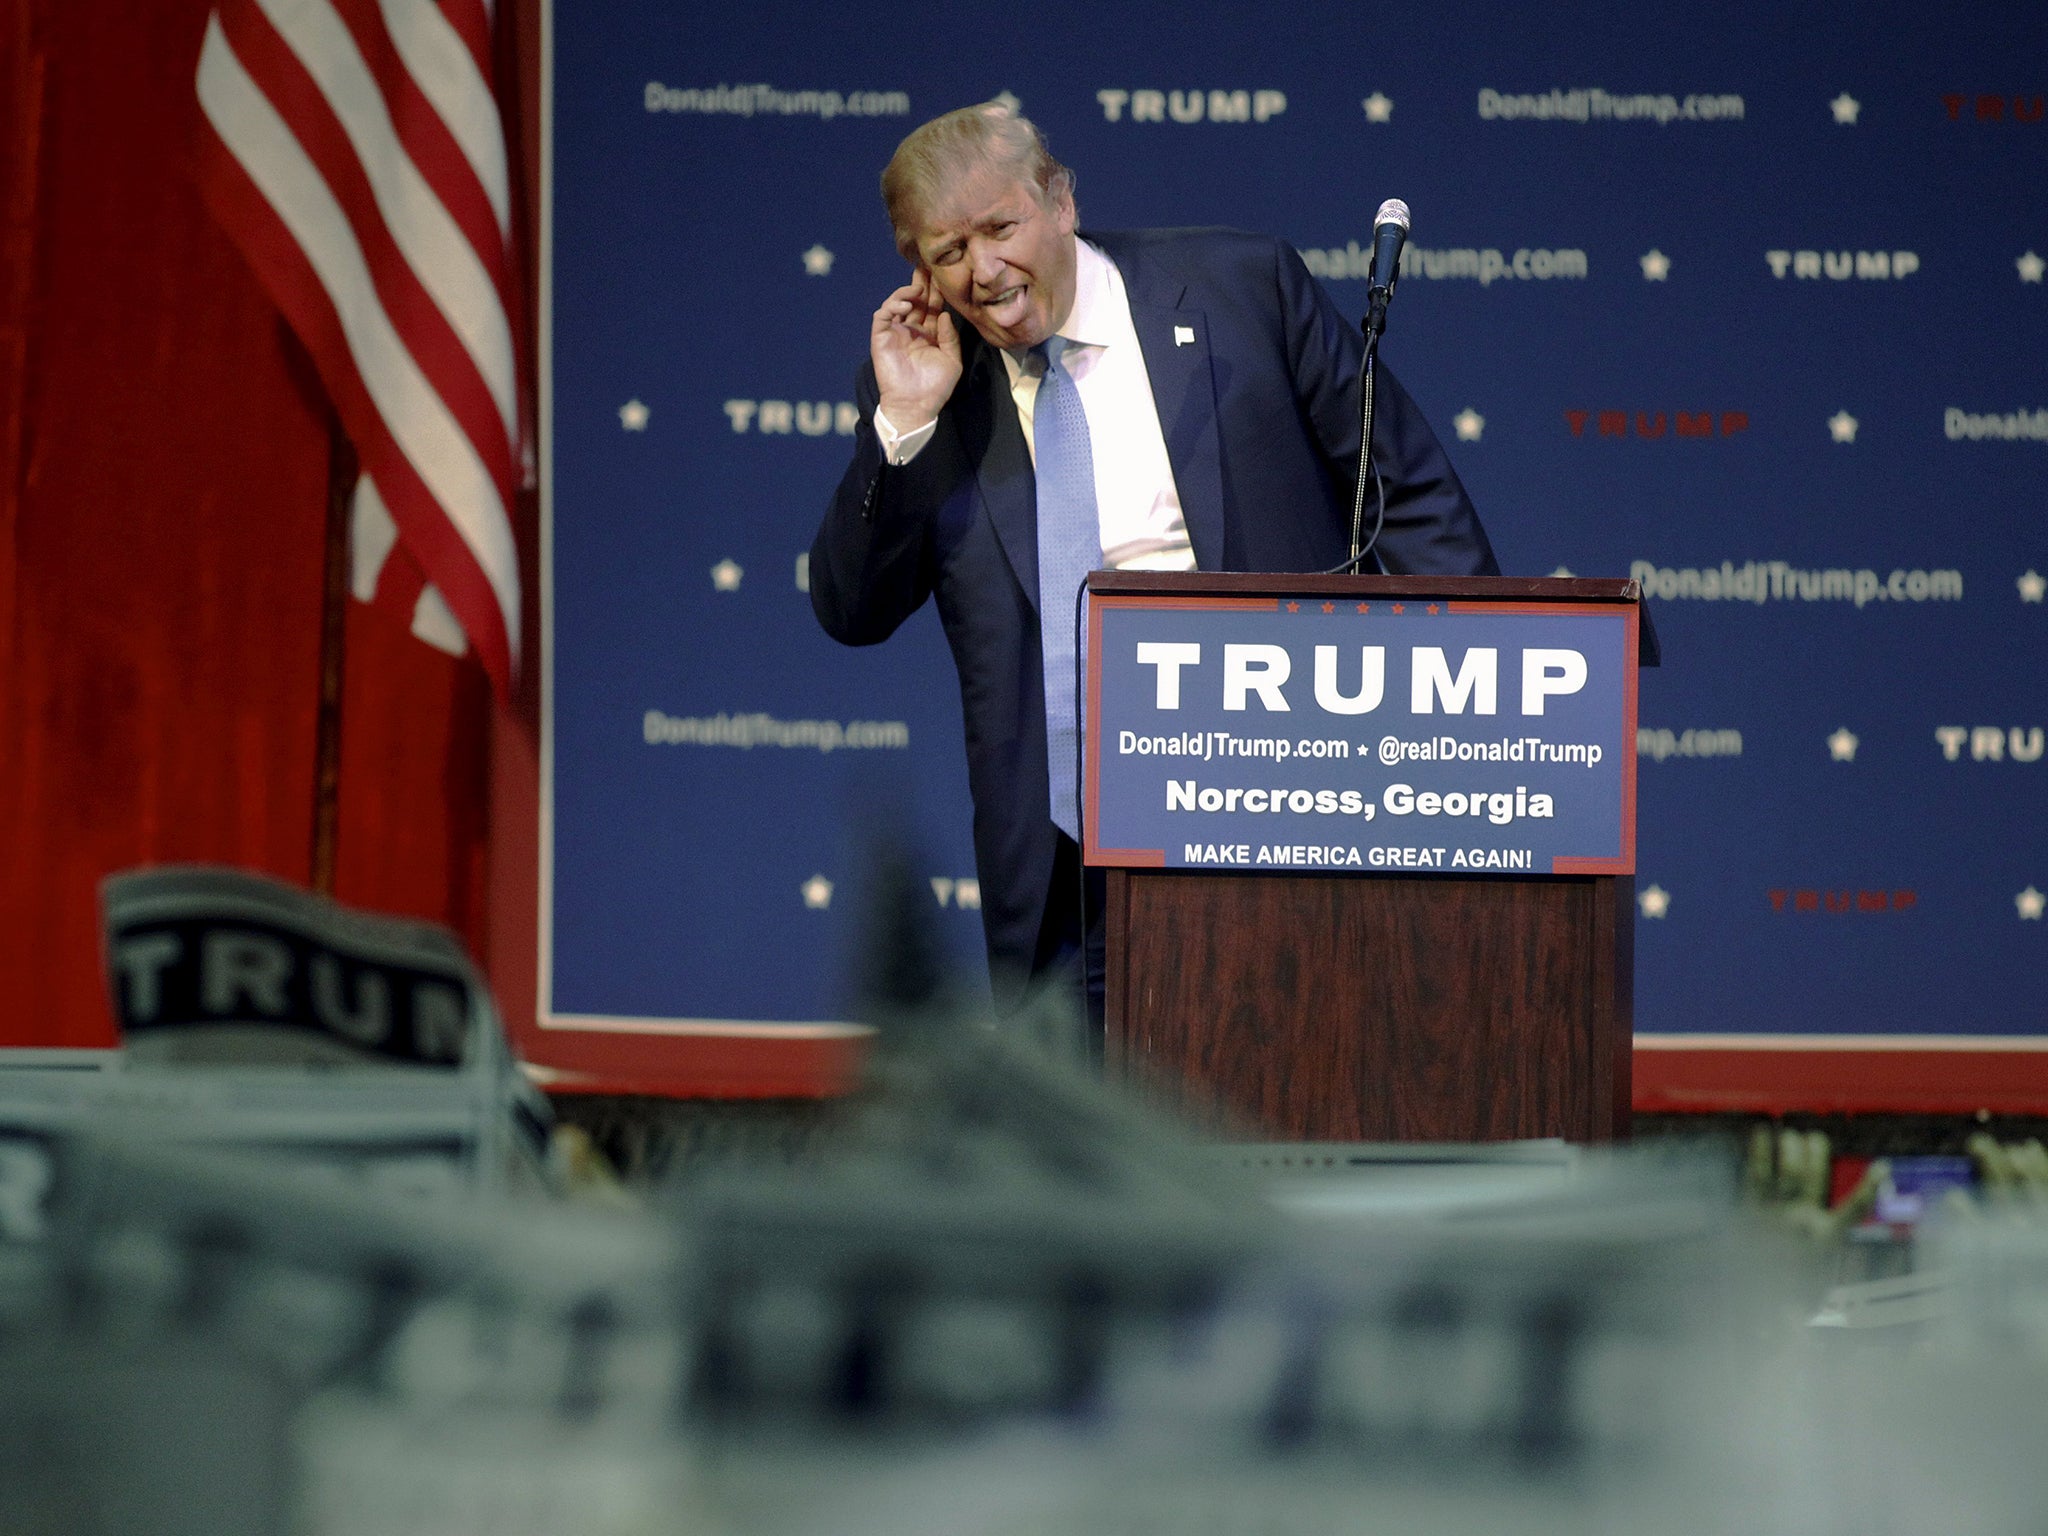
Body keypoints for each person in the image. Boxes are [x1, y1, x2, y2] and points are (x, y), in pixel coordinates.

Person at [810, 103, 1497, 1022]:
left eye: (1001, 228)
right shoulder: (927, 387)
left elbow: (1406, 498)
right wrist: (903, 425)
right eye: (947, 252)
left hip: (1283, 815)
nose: (984, 271)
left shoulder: (1241, 289)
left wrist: (1472, 742)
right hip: (1066, 874)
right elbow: (851, 610)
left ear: (1060, 200)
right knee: (1090, 1155)